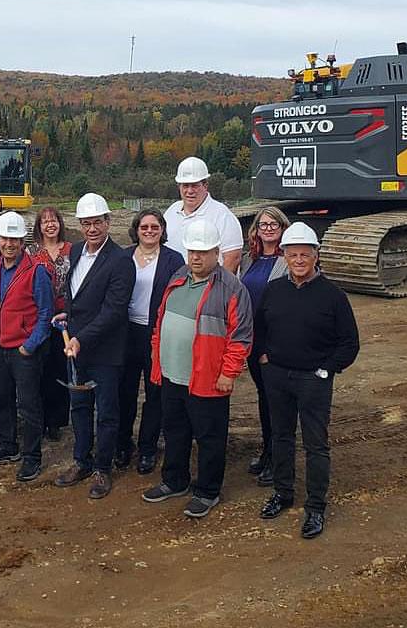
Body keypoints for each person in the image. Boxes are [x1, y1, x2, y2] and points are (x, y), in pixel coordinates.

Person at [255, 222, 359, 539]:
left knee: (316, 445)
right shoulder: (274, 290)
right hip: (277, 376)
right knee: (281, 438)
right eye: (293, 254)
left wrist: (326, 369)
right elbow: (259, 329)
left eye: (305, 254)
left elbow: (349, 343)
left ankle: (315, 507)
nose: (299, 260)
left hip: (313, 380)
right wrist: (263, 357)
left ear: (316, 256)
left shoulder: (333, 296)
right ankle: (283, 493)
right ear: (284, 256)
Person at [143, 219, 252, 518]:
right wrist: (157, 362)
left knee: (210, 437)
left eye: (203, 252)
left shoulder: (231, 288)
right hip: (172, 374)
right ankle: (174, 480)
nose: (196, 257)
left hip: (207, 379)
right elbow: (160, 321)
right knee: (175, 431)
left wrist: (228, 373)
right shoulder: (178, 277)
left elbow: (240, 337)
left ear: (216, 252)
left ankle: (207, 491)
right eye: (192, 251)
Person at [53, 194, 134, 499]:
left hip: (105, 351)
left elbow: (114, 310)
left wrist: (81, 337)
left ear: (108, 223)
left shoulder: (121, 260)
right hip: (77, 348)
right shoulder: (74, 252)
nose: (91, 228)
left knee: (107, 412)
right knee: (80, 407)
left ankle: (102, 468)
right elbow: (78, 296)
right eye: (86, 223)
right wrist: (68, 316)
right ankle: (81, 461)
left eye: (97, 222)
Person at [0, 211, 53, 484]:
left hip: (23, 351)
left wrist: (29, 346)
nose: (10, 244)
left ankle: (32, 457)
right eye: (5, 238)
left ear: (23, 242)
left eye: (15, 240)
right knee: (3, 400)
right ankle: (6, 445)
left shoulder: (36, 272)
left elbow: (45, 314)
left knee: (30, 405)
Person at [117, 209, 184, 475]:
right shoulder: (124, 257)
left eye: (154, 227)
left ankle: (147, 448)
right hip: (126, 332)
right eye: (144, 227)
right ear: (136, 229)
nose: (149, 231)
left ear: (162, 230)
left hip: (157, 333)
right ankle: (123, 444)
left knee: (155, 393)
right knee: (125, 391)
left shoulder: (173, 260)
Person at [238, 206, 290, 486]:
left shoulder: (289, 260)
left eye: (274, 224)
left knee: (277, 401)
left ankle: (277, 458)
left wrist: (274, 346)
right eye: (263, 225)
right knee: (264, 397)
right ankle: (267, 450)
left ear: (283, 228)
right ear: (256, 230)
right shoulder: (250, 261)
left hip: (275, 342)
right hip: (253, 339)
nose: (268, 229)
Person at [28, 206, 72, 441]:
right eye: (44, 221)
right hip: (39, 319)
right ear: (39, 226)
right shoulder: (31, 252)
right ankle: (41, 417)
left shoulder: (71, 250)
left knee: (61, 368)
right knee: (40, 369)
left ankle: (57, 420)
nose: (50, 225)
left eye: (53, 220)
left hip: (64, 320)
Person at [163, 156, 244, 273]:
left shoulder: (222, 215)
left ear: (205, 185)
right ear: (179, 187)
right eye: (185, 185)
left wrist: (217, 289)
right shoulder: (171, 211)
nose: (190, 191)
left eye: (195, 185)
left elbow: (233, 258)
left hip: (208, 288)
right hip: (173, 286)